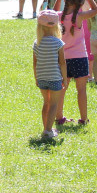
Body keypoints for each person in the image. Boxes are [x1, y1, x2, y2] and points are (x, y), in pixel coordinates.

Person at [54, 0, 97, 125]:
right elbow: (95, 10)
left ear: (67, 1)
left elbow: (53, 11)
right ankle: (83, 119)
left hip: (63, 58)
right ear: (80, 3)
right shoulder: (80, 16)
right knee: (81, 90)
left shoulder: (60, 16)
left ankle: (59, 117)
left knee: (62, 89)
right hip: (80, 57)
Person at [33, 10, 67, 139]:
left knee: (46, 103)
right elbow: (62, 63)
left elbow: (34, 63)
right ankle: (48, 131)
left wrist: (36, 78)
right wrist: (65, 78)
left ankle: (47, 128)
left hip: (41, 77)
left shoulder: (37, 43)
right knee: (54, 104)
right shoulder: (58, 43)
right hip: (55, 77)